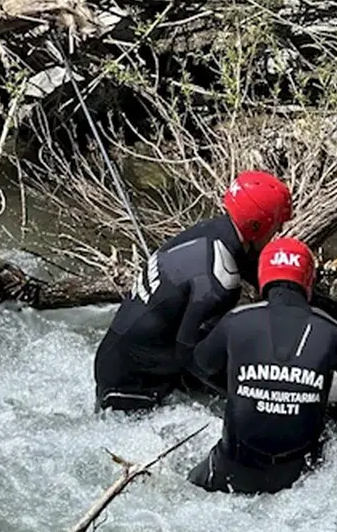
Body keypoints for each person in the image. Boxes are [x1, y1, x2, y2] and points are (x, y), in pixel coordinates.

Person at [187, 237, 337, 495]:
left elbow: (198, 365)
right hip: (299, 478)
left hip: (232, 469)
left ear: (261, 278)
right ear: (308, 281)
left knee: (182, 486)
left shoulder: (235, 322)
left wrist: (235, 390)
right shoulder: (333, 332)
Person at [94, 171, 292, 412]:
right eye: (276, 227)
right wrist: (256, 397)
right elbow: (195, 358)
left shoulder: (211, 231)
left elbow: (262, 274)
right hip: (134, 387)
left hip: (116, 360)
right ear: (257, 226)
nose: (277, 234)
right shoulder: (221, 279)